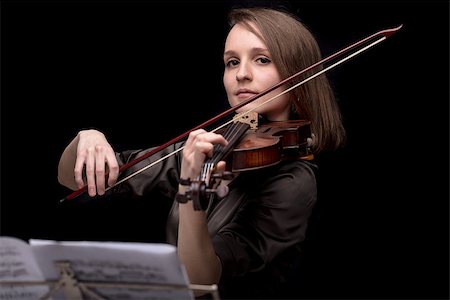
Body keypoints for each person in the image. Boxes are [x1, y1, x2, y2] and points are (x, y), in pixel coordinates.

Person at [57, 6, 345, 299]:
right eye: (232, 62)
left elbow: (197, 280)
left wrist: (189, 188)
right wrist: (87, 137)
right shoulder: (212, 145)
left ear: (297, 74)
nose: (241, 75)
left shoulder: (294, 181)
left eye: (261, 59)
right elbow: (74, 179)